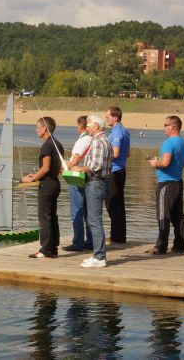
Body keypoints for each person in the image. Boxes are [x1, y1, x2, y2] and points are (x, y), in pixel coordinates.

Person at [71, 115, 112, 268]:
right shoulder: (103, 140)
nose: (86, 127)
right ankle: (96, 254)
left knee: (94, 220)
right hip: (98, 183)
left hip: (96, 183)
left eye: (88, 125)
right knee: (93, 219)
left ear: (96, 126)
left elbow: (96, 165)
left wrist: (79, 168)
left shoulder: (98, 141)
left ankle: (100, 257)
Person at [21, 116, 64, 259]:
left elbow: (45, 168)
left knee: (44, 218)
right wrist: (37, 174)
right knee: (52, 216)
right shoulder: (58, 144)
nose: (36, 130)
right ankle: (53, 248)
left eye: (38, 127)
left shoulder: (47, 145)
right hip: (55, 183)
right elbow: (57, 168)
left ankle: (45, 250)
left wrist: (32, 178)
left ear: (45, 129)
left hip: (47, 185)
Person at [147, 116, 184, 255]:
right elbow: (182, 164)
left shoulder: (168, 143)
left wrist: (155, 163)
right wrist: (160, 161)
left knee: (163, 215)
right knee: (178, 216)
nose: (164, 127)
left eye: (165, 125)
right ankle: (179, 245)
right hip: (178, 182)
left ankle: (161, 246)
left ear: (172, 127)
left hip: (166, 183)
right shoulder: (183, 143)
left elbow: (164, 164)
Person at [63, 115, 93, 252]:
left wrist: (63, 165)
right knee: (88, 211)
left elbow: (74, 161)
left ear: (81, 126)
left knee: (77, 210)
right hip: (90, 177)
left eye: (77, 125)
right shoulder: (93, 139)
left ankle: (78, 242)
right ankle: (91, 241)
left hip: (78, 178)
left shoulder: (82, 141)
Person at [104, 106, 130, 244]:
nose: (105, 119)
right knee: (116, 203)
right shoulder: (124, 130)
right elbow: (128, 153)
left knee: (112, 203)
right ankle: (118, 236)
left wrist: (102, 156)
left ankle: (117, 236)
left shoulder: (117, 131)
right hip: (119, 170)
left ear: (115, 117)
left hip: (115, 172)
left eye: (107, 116)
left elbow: (116, 153)